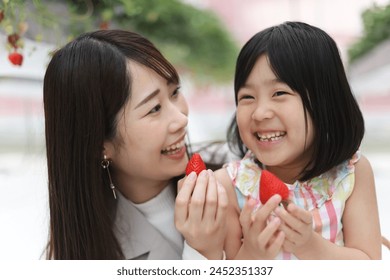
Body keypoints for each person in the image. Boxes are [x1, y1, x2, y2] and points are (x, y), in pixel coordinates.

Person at [43, 29, 227, 260]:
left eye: (175, 92)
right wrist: (203, 252)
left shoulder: (238, 174)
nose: (181, 119)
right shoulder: (86, 254)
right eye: (154, 109)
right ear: (100, 145)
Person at [213, 21, 382, 259]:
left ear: (325, 101)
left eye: (279, 93)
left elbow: (370, 264)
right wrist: (252, 252)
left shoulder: (351, 174)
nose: (260, 113)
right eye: (247, 96)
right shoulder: (229, 186)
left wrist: (310, 246)